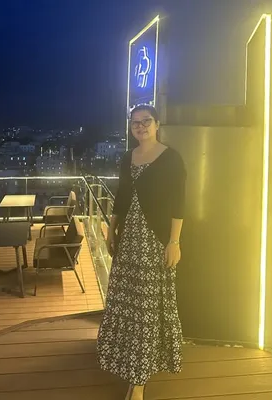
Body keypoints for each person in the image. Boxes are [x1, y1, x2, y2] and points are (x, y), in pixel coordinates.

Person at [96, 104, 187, 400]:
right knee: (127, 304)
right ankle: (127, 362)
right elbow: (121, 197)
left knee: (147, 308)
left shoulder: (171, 158)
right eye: (135, 122)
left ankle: (139, 380)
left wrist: (174, 242)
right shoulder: (128, 157)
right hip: (128, 240)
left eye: (146, 121)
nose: (140, 126)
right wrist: (112, 229)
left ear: (157, 124)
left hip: (154, 241)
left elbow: (178, 203)